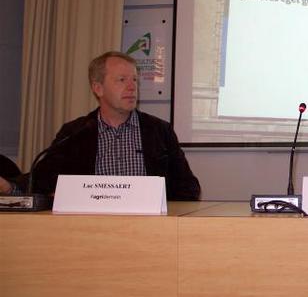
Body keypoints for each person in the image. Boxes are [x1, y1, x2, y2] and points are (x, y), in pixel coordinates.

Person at [0, 51, 200, 200]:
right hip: (90, 231)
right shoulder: (75, 133)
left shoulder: (159, 131)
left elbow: (189, 188)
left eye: (134, 80)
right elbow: (41, 181)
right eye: (122, 80)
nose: (132, 87)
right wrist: (9, 187)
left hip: (149, 230)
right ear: (98, 88)